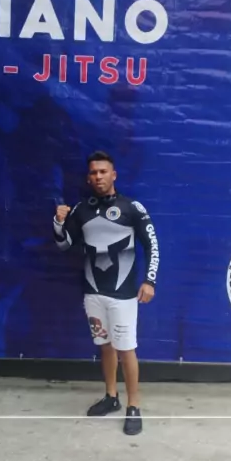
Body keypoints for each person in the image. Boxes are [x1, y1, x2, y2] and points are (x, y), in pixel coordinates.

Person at [53, 151, 160, 435]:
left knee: (126, 349)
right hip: (93, 293)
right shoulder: (80, 209)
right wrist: (58, 223)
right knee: (105, 346)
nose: (98, 177)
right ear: (88, 178)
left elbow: (152, 245)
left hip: (123, 294)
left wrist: (150, 281)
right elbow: (64, 245)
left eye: (103, 172)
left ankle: (133, 406)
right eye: (93, 173)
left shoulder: (132, 207)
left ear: (114, 175)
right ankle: (111, 397)